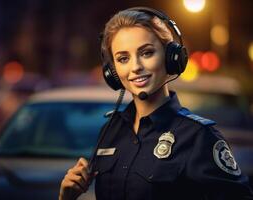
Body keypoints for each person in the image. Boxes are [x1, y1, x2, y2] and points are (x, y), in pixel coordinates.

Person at [59, 7, 253, 200]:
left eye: (147, 53)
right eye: (123, 58)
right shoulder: (110, 131)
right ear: (113, 71)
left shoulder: (199, 137)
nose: (135, 67)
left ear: (171, 57)